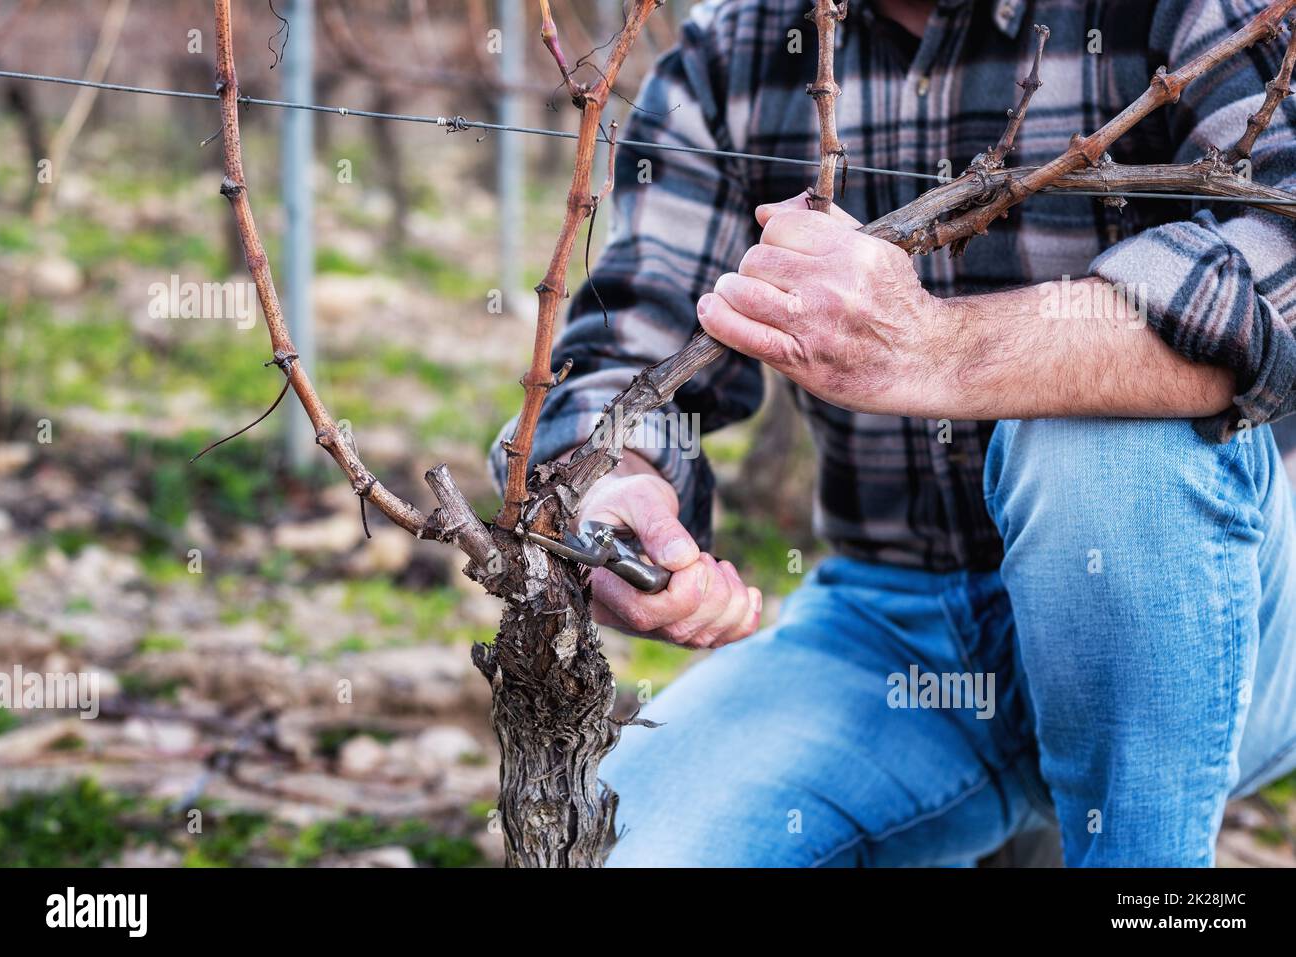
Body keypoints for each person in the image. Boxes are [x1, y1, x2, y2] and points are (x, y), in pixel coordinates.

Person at [491, 0, 1296, 866]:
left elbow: (1285, 261)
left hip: (1220, 614)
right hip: (894, 634)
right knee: (630, 852)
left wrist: (939, 348)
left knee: (1103, 441)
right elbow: (632, 345)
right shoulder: (737, 48)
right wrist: (615, 487)